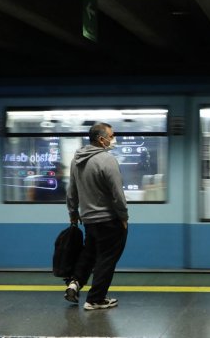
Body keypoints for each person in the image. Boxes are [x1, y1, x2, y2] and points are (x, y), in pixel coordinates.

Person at [64, 122, 129, 310]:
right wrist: (124, 216)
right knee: (106, 259)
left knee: (89, 253)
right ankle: (95, 299)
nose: (113, 139)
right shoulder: (107, 160)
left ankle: (74, 284)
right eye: (111, 135)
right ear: (102, 139)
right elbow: (118, 194)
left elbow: (71, 192)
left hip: (89, 220)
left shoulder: (77, 160)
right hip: (109, 221)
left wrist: (73, 214)